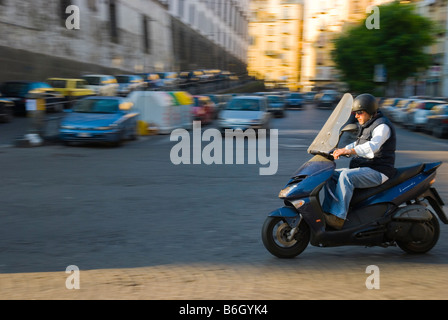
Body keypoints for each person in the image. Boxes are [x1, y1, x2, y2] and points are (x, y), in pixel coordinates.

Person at [323, 93, 396, 230]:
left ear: (369, 111)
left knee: (346, 177)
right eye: (355, 113)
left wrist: (349, 152)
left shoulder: (382, 126)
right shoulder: (368, 124)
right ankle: (328, 211)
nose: (356, 116)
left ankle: (338, 217)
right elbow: (358, 143)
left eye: (359, 113)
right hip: (366, 167)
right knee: (329, 174)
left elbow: (372, 146)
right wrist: (340, 149)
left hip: (379, 171)